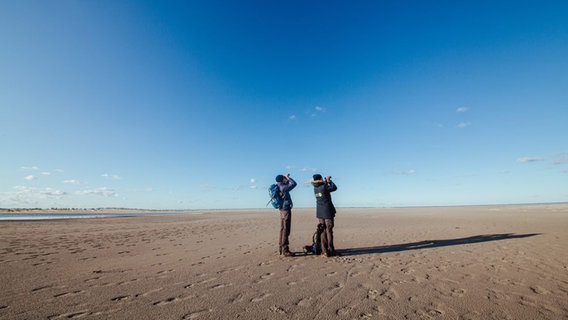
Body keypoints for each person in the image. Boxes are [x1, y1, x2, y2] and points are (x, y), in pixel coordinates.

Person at [311, 174, 339, 257]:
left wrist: (325, 182)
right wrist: (329, 181)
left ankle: (324, 250)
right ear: (320, 179)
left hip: (320, 213)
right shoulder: (324, 187)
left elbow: (324, 188)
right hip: (327, 212)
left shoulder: (315, 188)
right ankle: (331, 249)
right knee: (329, 231)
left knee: (322, 231)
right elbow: (334, 188)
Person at [276, 173, 297, 257]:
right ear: (282, 179)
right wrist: (288, 178)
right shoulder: (283, 187)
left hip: (282, 209)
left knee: (282, 228)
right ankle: (285, 250)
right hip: (285, 209)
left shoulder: (278, 186)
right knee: (286, 229)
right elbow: (294, 184)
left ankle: (281, 248)